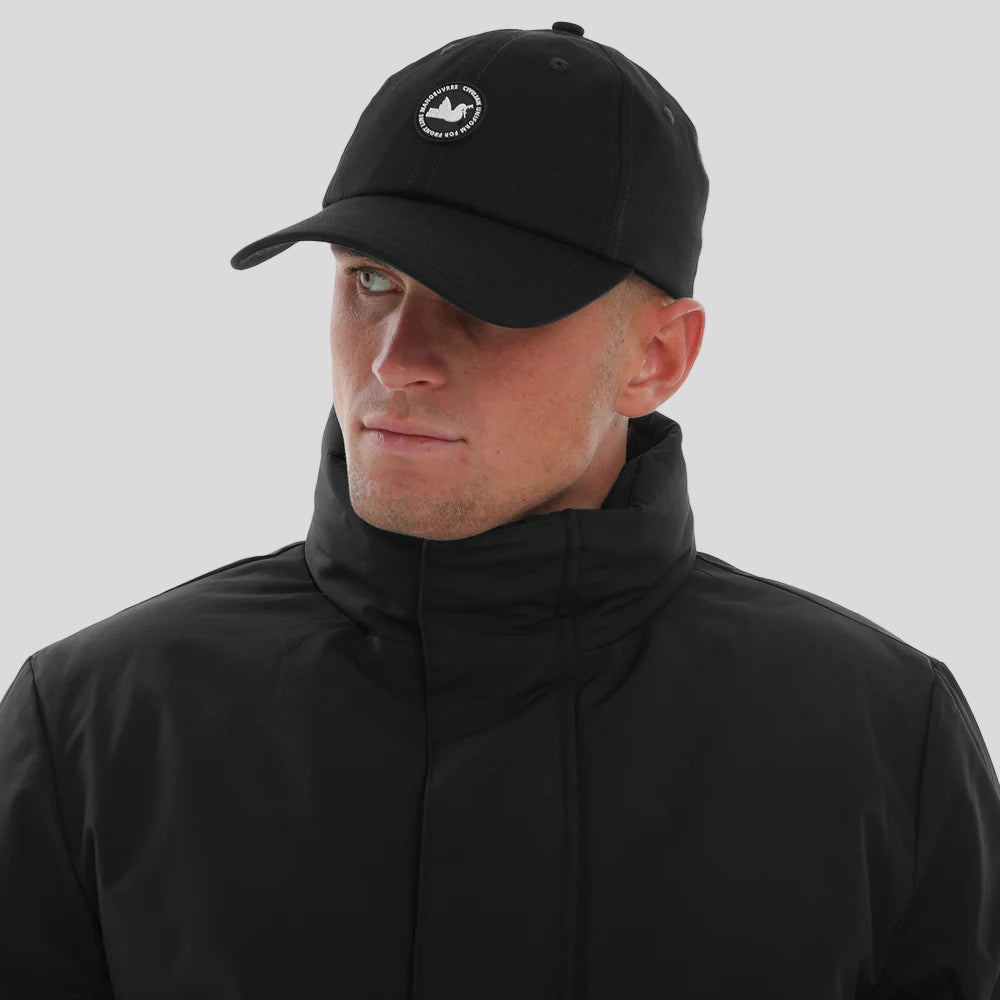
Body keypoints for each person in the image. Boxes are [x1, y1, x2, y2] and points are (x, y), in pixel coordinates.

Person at [1, 20, 998, 999]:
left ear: (657, 357)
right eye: (370, 280)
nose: (395, 362)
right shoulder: (95, 727)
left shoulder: (877, 742)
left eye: (483, 300)